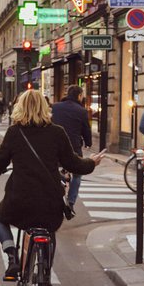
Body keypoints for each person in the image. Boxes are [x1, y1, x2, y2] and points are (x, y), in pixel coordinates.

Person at [0, 90, 104, 281]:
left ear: (20, 107)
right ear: (45, 108)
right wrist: (92, 162)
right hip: (49, 202)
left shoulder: (14, 132)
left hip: (19, 201)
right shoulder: (57, 132)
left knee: (0, 220)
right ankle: (46, 271)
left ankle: (11, 256)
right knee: (49, 230)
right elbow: (73, 164)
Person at [51, 85, 92, 214]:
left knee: (52, 170)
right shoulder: (81, 111)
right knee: (77, 175)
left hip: (55, 147)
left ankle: (57, 189)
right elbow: (86, 130)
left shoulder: (55, 107)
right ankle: (71, 202)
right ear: (79, 96)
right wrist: (88, 143)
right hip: (73, 148)